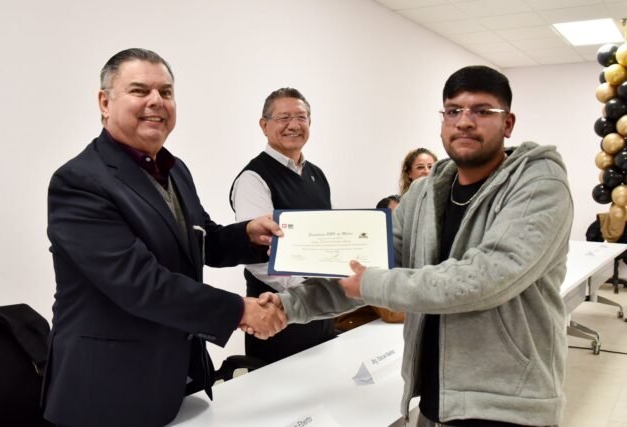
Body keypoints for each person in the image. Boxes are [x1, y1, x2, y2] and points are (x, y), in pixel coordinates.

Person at [263, 65, 573, 426]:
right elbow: (366, 268)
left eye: (482, 110)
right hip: (434, 396)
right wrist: (289, 306)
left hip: (506, 403)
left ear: (508, 123)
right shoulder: (424, 194)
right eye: (453, 111)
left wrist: (373, 282)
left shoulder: (540, 184)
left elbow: (487, 277)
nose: (464, 121)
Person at [43, 48, 286, 427]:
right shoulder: (79, 181)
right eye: (139, 90)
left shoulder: (174, 169)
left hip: (171, 379)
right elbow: (140, 284)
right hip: (106, 392)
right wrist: (240, 310)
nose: (156, 101)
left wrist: (249, 235)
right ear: (105, 103)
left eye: (166, 92)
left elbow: (201, 240)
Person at [229, 87, 337, 364]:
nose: (294, 125)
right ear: (264, 125)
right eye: (284, 118)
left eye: (301, 117)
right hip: (277, 316)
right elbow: (258, 257)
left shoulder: (317, 175)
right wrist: (311, 290)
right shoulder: (254, 179)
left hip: (321, 311)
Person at [335, 195, 404, 331]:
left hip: (381, 328)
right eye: (395, 218)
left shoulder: (403, 249)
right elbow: (392, 314)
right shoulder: (371, 252)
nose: (401, 224)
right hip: (357, 330)